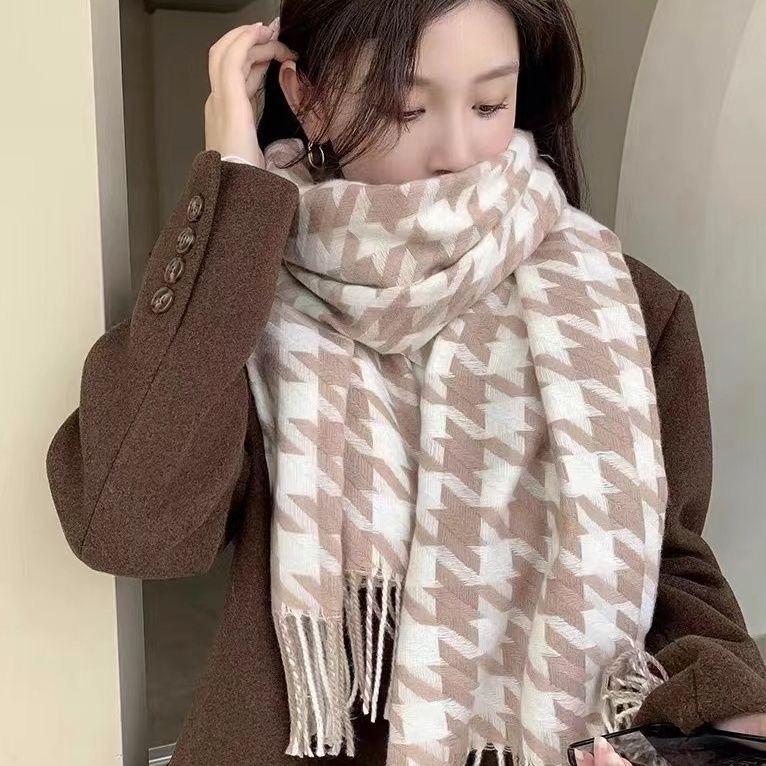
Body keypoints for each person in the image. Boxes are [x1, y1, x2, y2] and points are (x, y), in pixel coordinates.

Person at [46, 2, 766, 765]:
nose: (458, 151)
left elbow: (669, 568)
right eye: (406, 109)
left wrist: (731, 720)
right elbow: (130, 524)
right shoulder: (247, 294)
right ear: (308, 99)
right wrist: (233, 190)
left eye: (489, 103)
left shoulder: (622, 309)